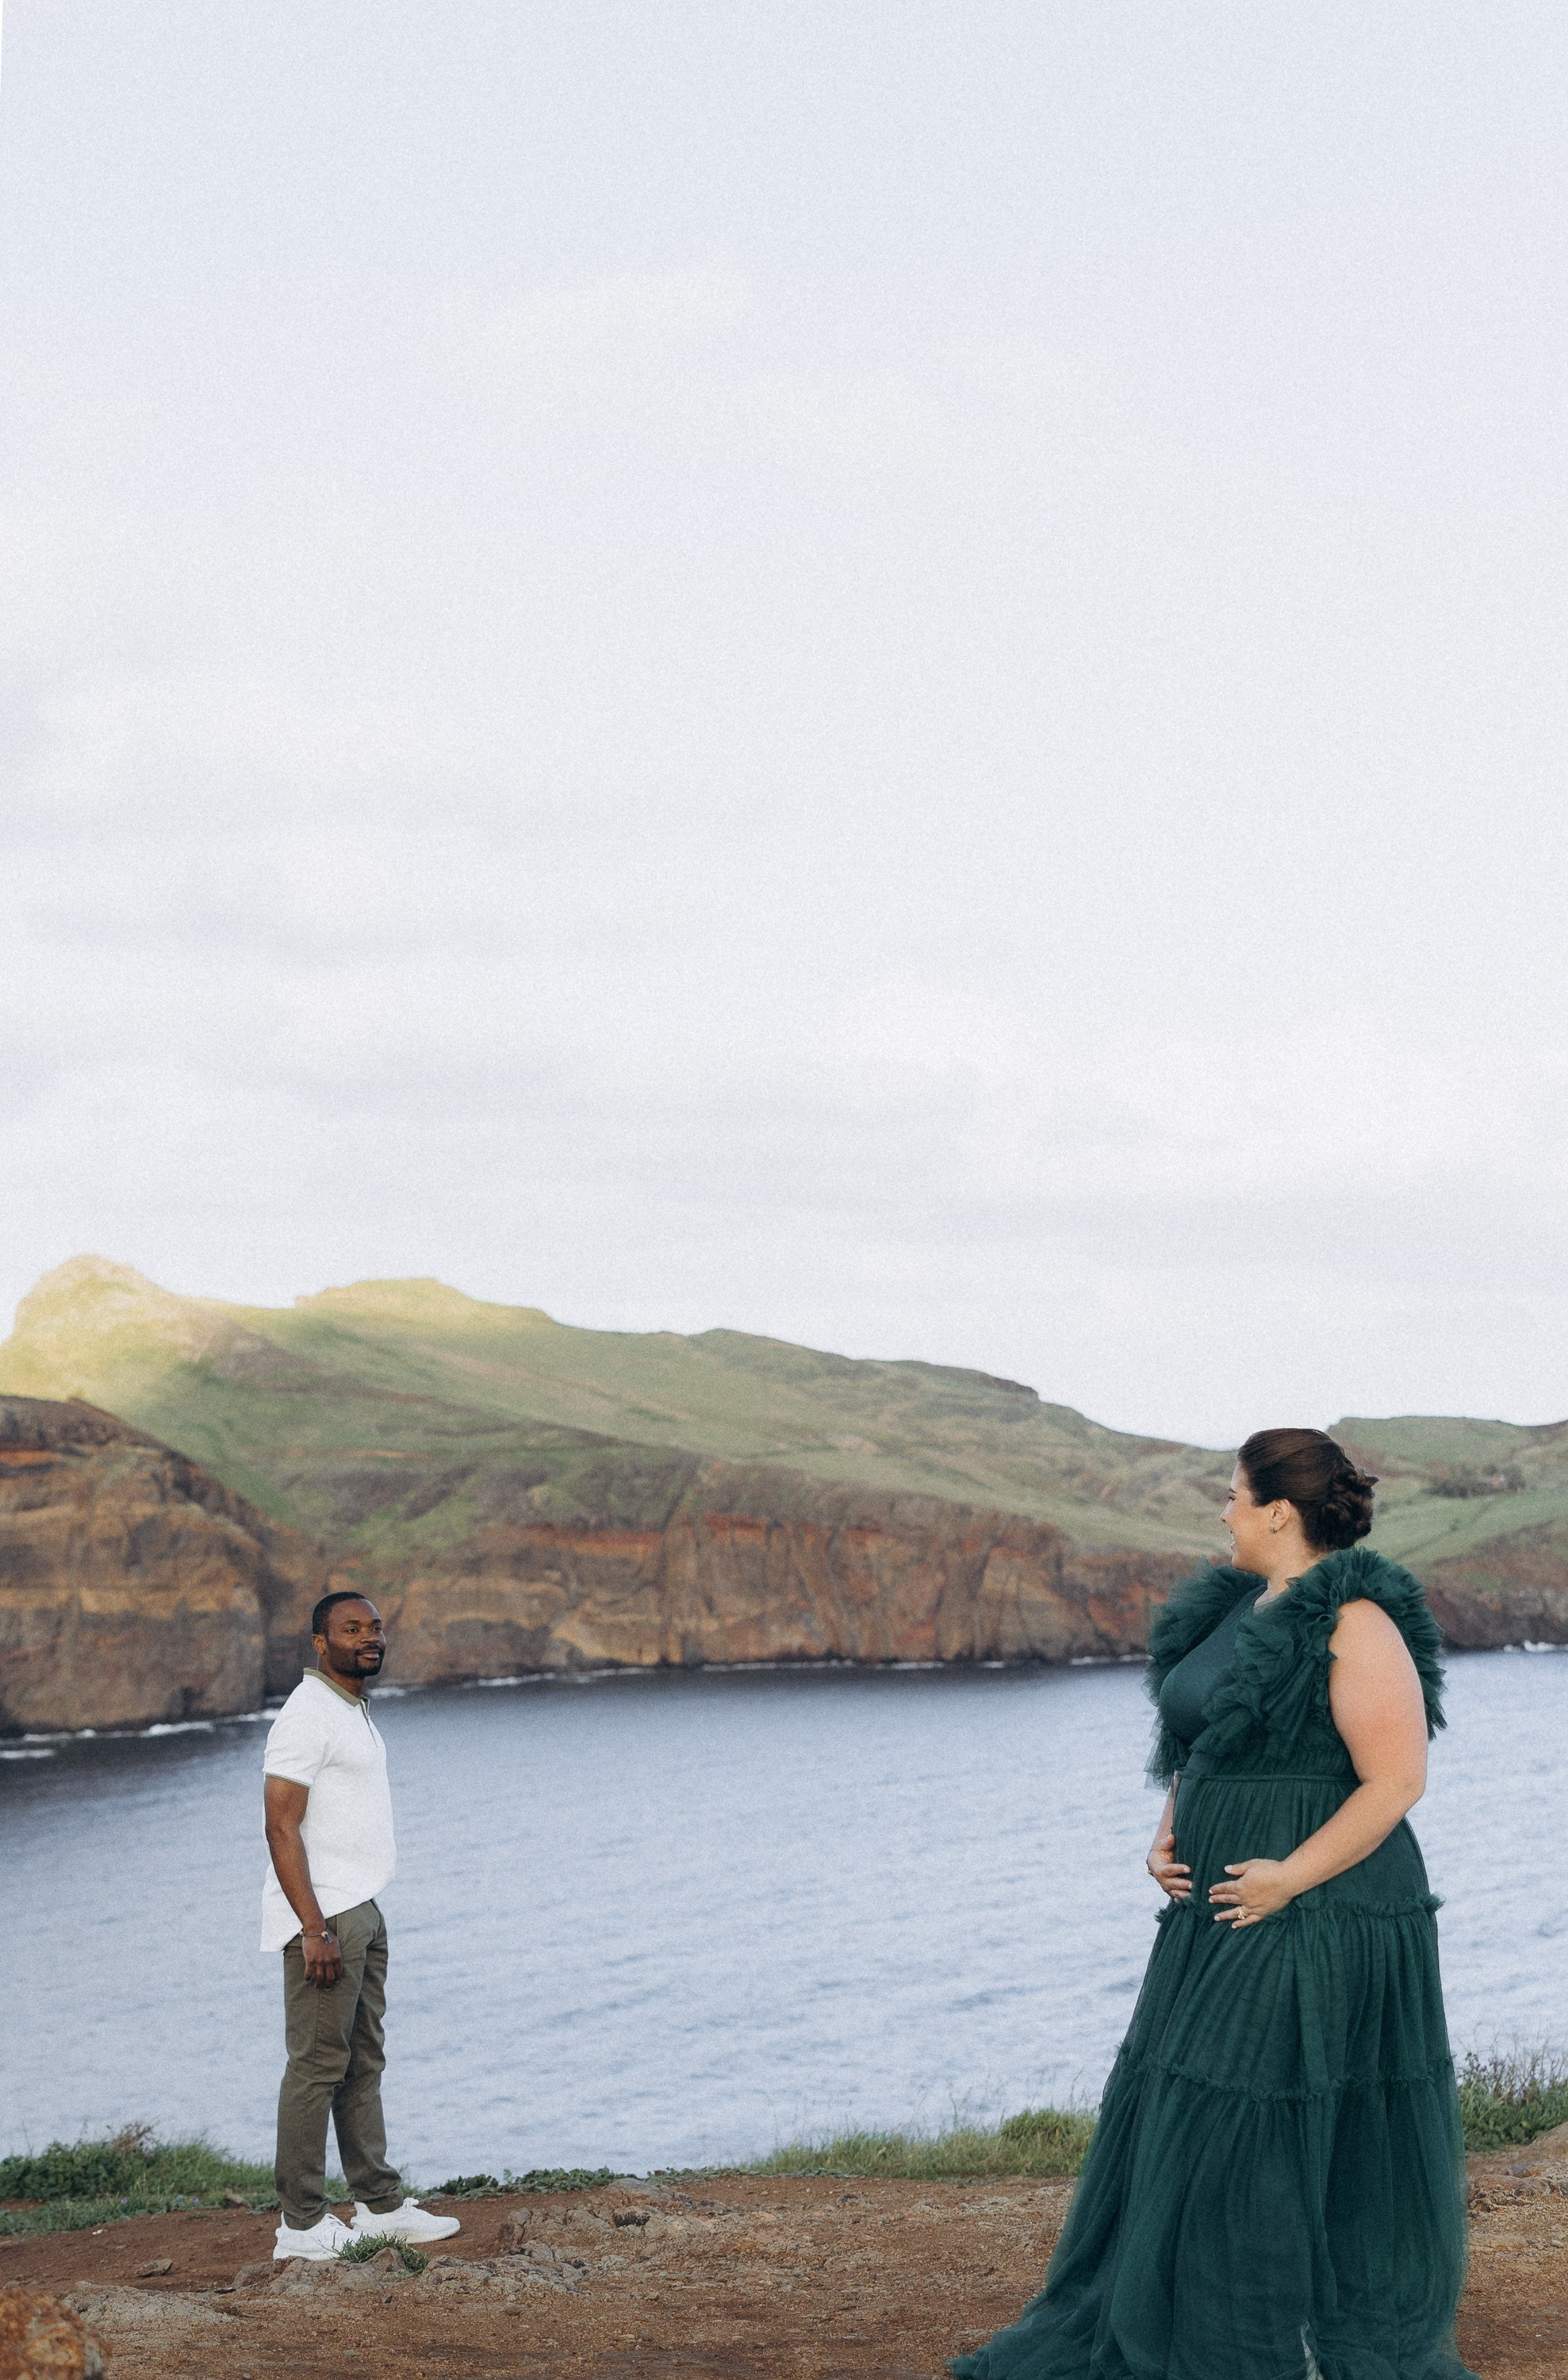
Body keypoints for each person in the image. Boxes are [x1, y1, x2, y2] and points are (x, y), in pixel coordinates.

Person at [951, 1426, 1476, 2380]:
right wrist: (1169, 1830)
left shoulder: (1357, 1620)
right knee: (1195, 2105)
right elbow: (1205, 1743)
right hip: (1223, 1905)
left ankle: (1280, 2346)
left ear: (1277, 1512)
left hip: (1322, 1906)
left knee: (1256, 2120)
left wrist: (1288, 1879)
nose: (1222, 1511)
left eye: (1232, 1494)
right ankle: (1210, 2328)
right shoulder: (1238, 1606)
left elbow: (1397, 1780)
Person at [262, 1588, 461, 2261]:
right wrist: (312, 1928)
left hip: (361, 1907)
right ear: (321, 1643)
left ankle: (378, 2206)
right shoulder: (306, 1714)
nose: (369, 1637)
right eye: (352, 1629)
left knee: (362, 2059)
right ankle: (300, 2226)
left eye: (374, 1627)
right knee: (316, 2067)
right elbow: (280, 1825)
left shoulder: (349, 1708)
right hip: (325, 1917)